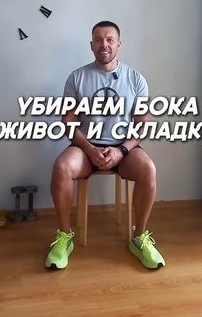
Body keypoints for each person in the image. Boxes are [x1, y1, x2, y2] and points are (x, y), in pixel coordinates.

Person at [45, 20, 165, 270]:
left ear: (119, 44)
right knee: (61, 167)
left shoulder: (135, 79)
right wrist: (89, 149)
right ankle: (64, 238)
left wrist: (122, 150)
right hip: (86, 148)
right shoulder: (77, 77)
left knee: (149, 169)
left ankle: (139, 238)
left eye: (110, 39)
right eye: (99, 39)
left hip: (123, 149)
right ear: (91, 45)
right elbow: (67, 122)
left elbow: (143, 125)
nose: (104, 44)